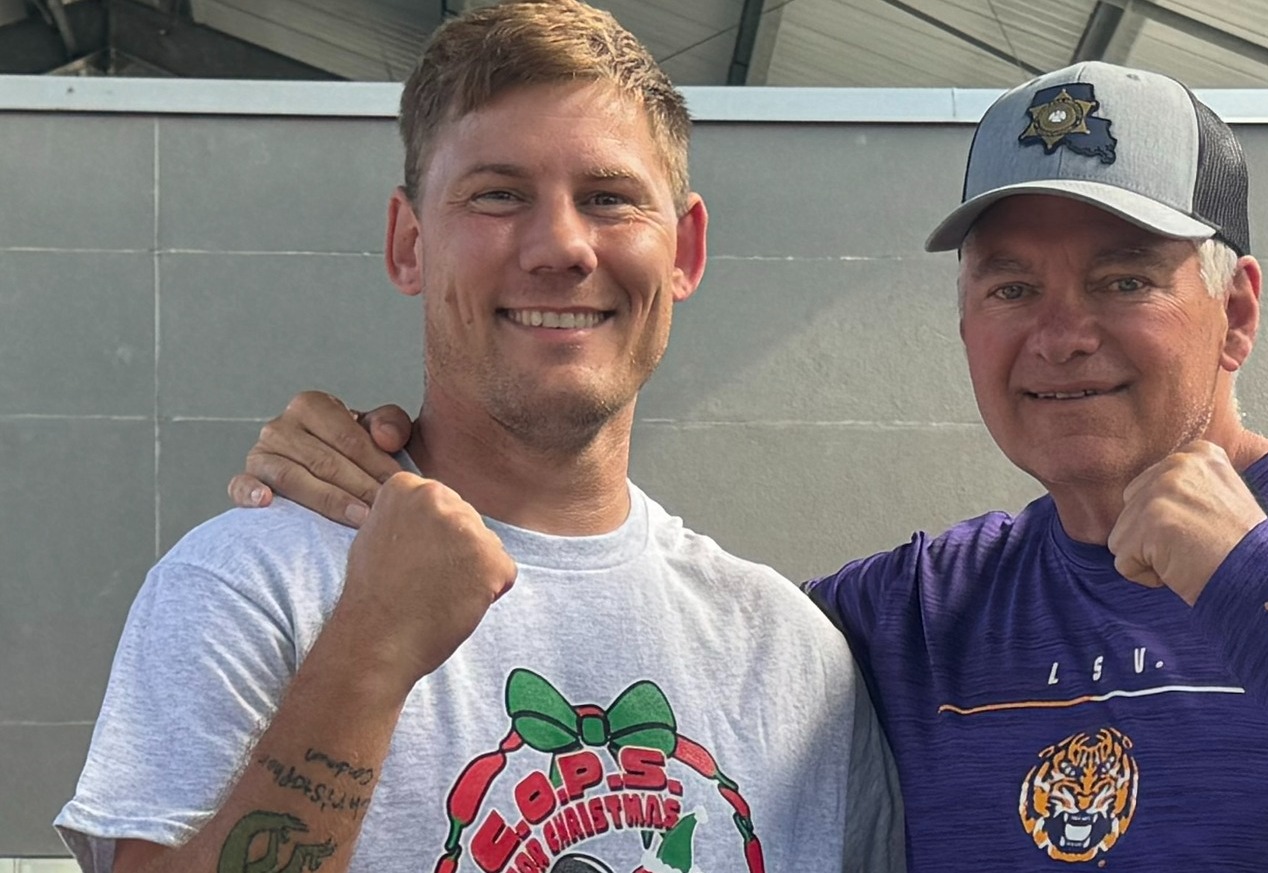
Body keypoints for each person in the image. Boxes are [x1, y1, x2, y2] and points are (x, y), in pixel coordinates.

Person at [226, 61, 1268, 870]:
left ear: (1237, 308)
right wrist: (383, 477)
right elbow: (649, 635)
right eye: (1007, 286)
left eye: (1120, 278)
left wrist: (1264, 586)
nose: (1059, 336)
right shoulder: (921, 616)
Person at [55, 4, 902, 873]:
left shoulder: (789, 657)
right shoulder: (251, 587)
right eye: (498, 195)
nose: (562, 246)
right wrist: (371, 647)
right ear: (409, 243)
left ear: (683, 249)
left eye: (610, 198)